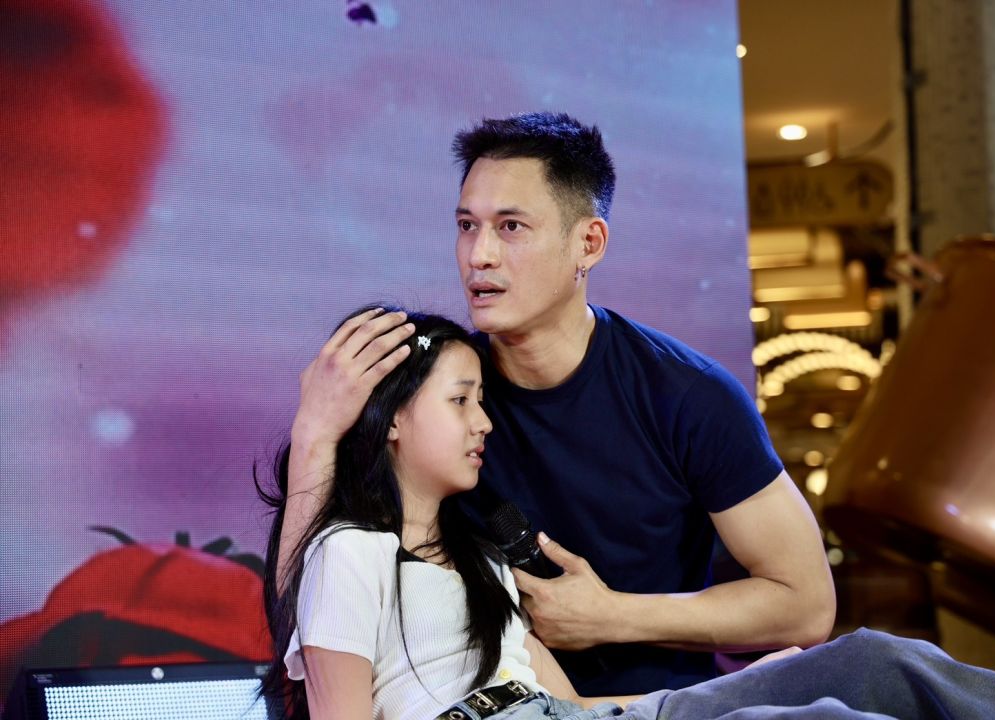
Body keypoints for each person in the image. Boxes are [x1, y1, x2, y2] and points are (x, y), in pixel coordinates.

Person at [259, 308, 995, 720]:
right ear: (393, 417)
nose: (485, 422)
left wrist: (752, 686)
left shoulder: (482, 559)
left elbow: (571, 708)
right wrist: (318, 430)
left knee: (872, 663)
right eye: (462, 400)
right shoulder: (349, 554)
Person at [277, 112, 834, 696]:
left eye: (511, 226)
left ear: (587, 243)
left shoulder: (687, 395)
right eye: (467, 225)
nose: (479, 255)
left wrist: (613, 615)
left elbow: (806, 605)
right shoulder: (435, 401)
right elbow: (318, 610)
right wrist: (314, 431)